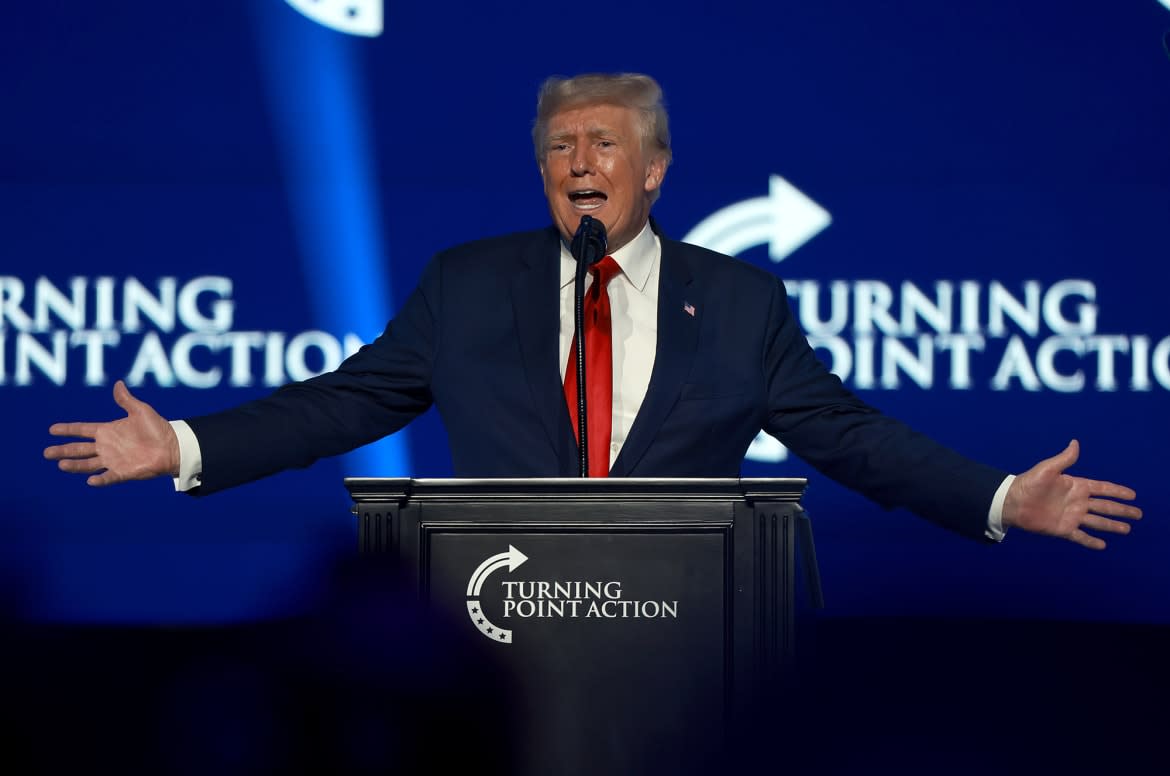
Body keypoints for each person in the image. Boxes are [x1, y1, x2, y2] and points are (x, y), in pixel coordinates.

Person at [45, 73, 1140, 548]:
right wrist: (187, 440)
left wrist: (998, 497)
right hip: (502, 638)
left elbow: (849, 437)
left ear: (655, 169)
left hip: (686, 655)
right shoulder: (469, 284)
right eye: (559, 147)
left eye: (603, 142)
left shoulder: (743, 299)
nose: (579, 161)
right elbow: (346, 404)